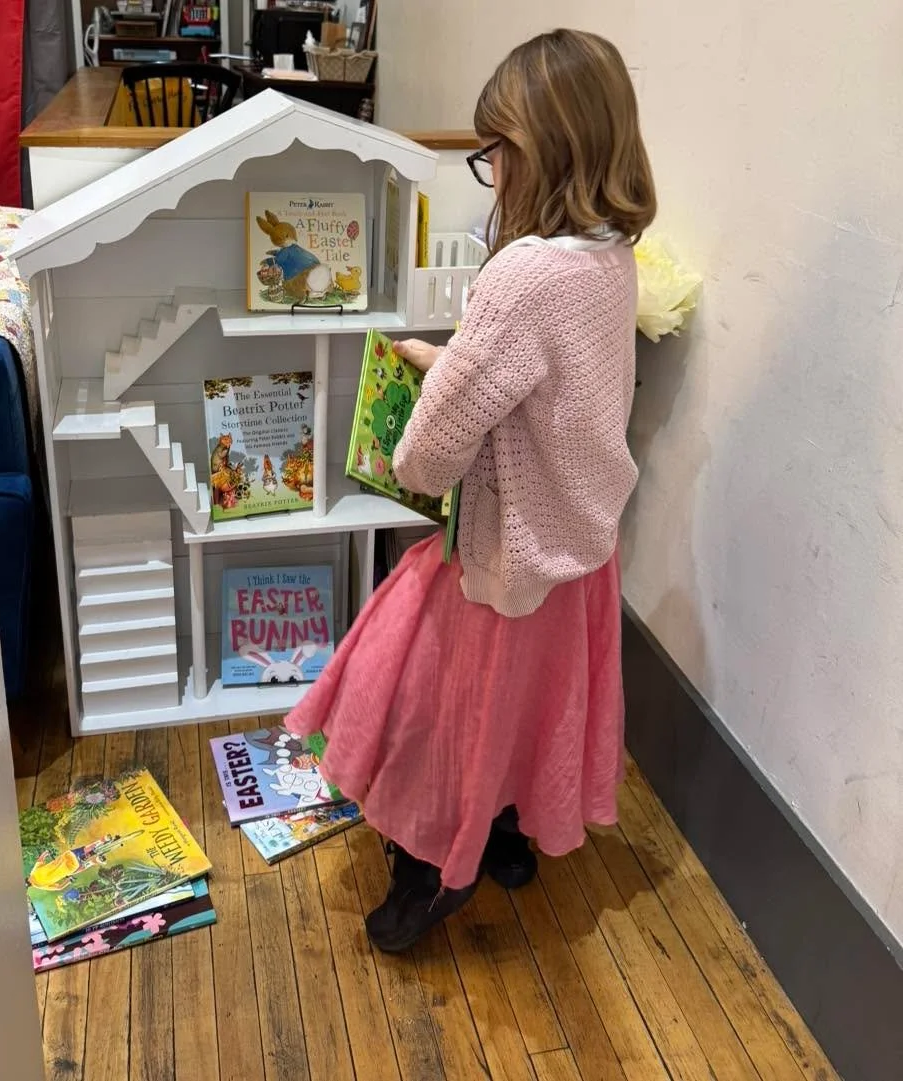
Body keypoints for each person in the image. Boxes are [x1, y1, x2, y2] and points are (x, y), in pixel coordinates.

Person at [284, 27, 656, 953]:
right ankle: (508, 836)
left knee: (426, 707)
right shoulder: (611, 258)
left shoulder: (519, 275)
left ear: (537, 151)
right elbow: (545, 388)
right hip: (578, 553)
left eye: (494, 153)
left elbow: (425, 458)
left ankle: (428, 872)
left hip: (498, 559)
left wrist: (428, 379)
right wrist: (454, 365)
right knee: (530, 711)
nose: (489, 170)